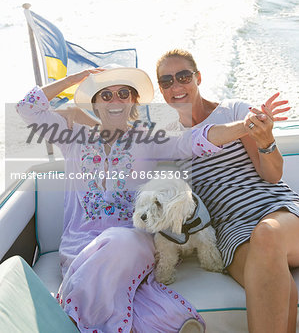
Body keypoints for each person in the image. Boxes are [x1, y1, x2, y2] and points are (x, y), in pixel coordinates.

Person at [16, 66, 259, 333]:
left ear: (133, 101)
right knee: (108, 269)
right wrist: (74, 80)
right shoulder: (72, 138)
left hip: (133, 240)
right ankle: (153, 321)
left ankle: (70, 316)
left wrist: (245, 125)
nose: (115, 100)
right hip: (81, 245)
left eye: (123, 93)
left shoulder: (147, 140)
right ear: (95, 104)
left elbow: (194, 140)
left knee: (118, 240)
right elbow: (27, 107)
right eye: (105, 95)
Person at [156, 49, 299, 333]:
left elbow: (272, 175)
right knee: (279, 289)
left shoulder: (234, 111)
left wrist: (266, 139)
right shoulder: (166, 139)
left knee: (267, 234)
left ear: (198, 78)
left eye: (183, 76)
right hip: (230, 232)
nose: (176, 86)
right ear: (161, 90)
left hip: (277, 211)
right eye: (166, 81)